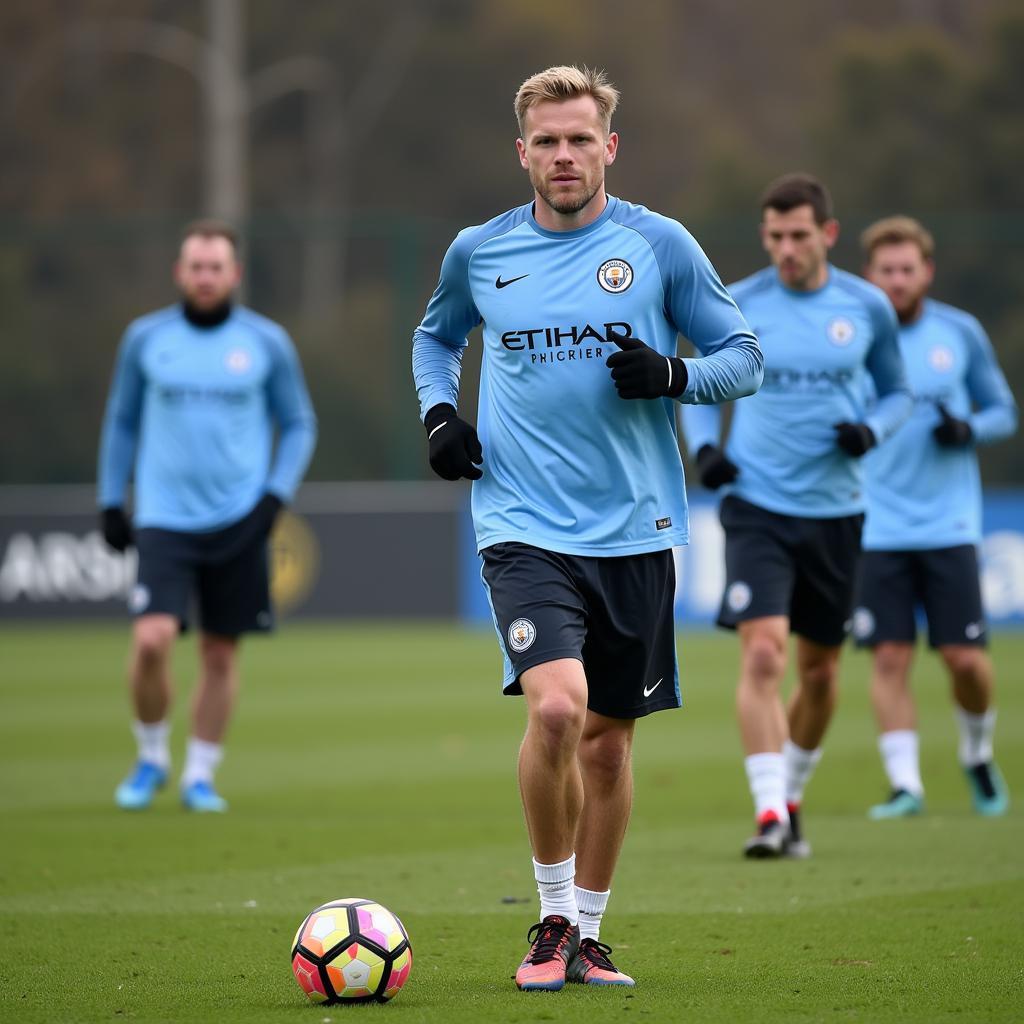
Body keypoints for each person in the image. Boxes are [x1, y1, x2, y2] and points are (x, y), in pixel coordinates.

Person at [412, 65, 762, 991]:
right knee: (557, 708)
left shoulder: (660, 245)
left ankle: (592, 935)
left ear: (609, 146)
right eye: (546, 141)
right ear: (520, 150)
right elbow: (436, 337)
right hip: (520, 521)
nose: (563, 155)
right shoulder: (478, 252)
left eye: (579, 139)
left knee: (608, 743)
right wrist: (439, 415)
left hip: (637, 526)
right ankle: (551, 917)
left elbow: (746, 356)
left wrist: (677, 377)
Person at [681, 173, 912, 859]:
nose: (786, 248)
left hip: (837, 512)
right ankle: (768, 815)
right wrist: (705, 451)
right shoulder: (739, 301)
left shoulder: (866, 306)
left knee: (818, 674)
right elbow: (690, 378)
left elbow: (899, 391)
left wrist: (872, 429)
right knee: (762, 653)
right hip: (757, 506)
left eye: (799, 236)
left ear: (828, 235)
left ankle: (794, 794)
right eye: (775, 236)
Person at [97, 220, 317, 813]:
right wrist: (111, 499)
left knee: (221, 654)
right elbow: (121, 421)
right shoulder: (146, 339)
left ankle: (199, 774)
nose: (205, 277)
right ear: (180, 271)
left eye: (215, 267)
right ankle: (150, 757)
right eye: (195, 266)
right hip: (164, 518)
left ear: (234, 274)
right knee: (152, 639)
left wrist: (274, 498)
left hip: (239, 518)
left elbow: (298, 424)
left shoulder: (266, 341)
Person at [852, 215, 1017, 819]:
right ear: (870, 274)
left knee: (964, 660)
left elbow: (1004, 410)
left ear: (927, 272)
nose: (896, 281)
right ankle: (906, 786)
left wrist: (969, 428)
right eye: (886, 270)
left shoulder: (960, 332)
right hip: (875, 526)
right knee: (889, 657)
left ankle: (976, 753)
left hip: (949, 525)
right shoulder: (852, 334)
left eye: (907, 269)